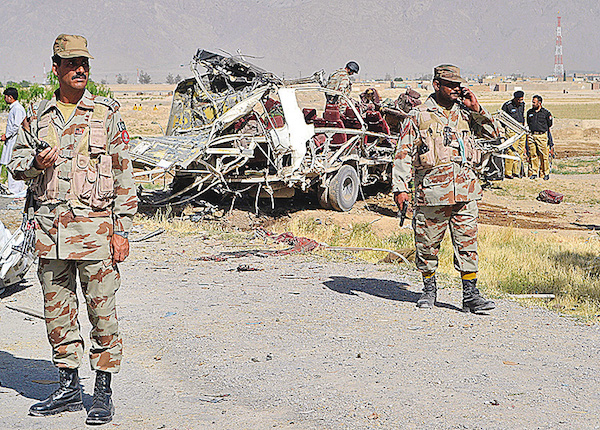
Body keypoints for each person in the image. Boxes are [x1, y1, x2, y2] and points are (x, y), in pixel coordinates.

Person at [8, 34, 137, 425]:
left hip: (96, 233)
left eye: (84, 62)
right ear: (56, 68)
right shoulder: (37, 115)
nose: (80, 68)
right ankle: (66, 386)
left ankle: (101, 391)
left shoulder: (106, 113)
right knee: (57, 313)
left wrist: (123, 230)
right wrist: (36, 162)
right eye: (71, 62)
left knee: (102, 312)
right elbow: (14, 165)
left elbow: (123, 173)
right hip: (50, 233)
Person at [392, 64, 497, 313]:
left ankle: (470, 295)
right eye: (450, 85)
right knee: (427, 245)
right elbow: (403, 153)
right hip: (432, 193)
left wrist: (477, 108)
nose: (455, 90)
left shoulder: (465, 113)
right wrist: (400, 189)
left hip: (465, 191)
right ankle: (429, 290)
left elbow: (493, 134)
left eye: (458, 85)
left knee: (467, 243)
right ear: (436, 85)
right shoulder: (419, 115)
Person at [1, 87, 27, 197]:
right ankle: (16, 189)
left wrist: (6, 136)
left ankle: (15, 190)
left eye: (5, 97)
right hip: (12, 140)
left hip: (14, 140)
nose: (4, 99)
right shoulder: (15, 108)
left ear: (10, 97)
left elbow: (16, 126)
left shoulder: (17, 109)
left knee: (12, 164)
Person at [526, 95, 553, 180]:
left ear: (539, 103)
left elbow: (550, 124)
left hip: (542, 136)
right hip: (532, 135)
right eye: (532, 102)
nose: (532, 104)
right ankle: (534, 172)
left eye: (534, 102)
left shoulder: (546, 113)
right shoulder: (529, 112)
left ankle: (546, 173)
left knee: (544, 156)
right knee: (533, 155)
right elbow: (528, 122)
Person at [501, 90, 526, 178]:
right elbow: (502, 118)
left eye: (522, 100)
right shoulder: (507, 105)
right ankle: (508, 172)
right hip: (511, 128)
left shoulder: (523, 105)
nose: (520, 101)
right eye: (519, 100)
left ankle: (516, 171)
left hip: (521, 128)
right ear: (515, 99)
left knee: (520, 151)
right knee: (511, 151)